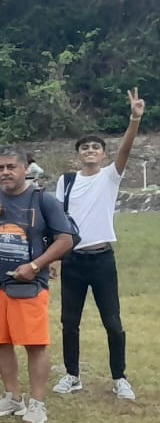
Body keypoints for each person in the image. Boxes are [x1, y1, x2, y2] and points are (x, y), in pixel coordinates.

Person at [0, 146, 78, 423]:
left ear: (25, 168)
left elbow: (65, 240)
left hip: (28, 285)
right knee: (1, 341)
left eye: (11, 167)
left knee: (35, 344)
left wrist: (36, 266)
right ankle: (13, 397)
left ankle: (37, 404)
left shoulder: (43, 200)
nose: (5, 172)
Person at [53, 87, 143, 400]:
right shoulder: (65, 182)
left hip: (102, 259)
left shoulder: (109, 176)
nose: (90, 151)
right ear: (78, 154)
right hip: (73, 260)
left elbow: (126, 151)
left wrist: (134, 119)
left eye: (95, 147)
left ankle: (119, 377)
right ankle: (72, 375)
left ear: (103, 154)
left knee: (113, 322)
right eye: (85, 147)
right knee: (69, 322)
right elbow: (58, 223)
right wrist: (54, 259)